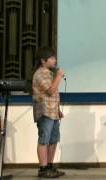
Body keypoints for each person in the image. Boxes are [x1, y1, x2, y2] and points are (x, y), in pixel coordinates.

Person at [32, 47, 65, 178]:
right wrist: (58, 76)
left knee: (53, 139)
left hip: (53, 111)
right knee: (44, 140)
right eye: (51, 58)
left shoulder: (50, 73)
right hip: (44, 112)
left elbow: (53, 95)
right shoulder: (40, 74)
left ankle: (50, 166)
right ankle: (43, 168)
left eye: (54, 57)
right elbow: (50, 91)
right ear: (43, 60)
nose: (54, 60)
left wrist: (57, 110)